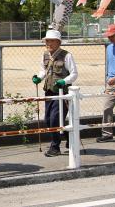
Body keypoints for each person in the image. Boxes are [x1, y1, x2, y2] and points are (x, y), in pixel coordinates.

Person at [32, 29, 78, 157]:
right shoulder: (45, 55)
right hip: (49, 92)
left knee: (55, 119)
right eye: (47, 41)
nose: (48, 43)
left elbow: (74, 74)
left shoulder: (67, 56)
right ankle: (70, 138)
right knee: (48, 119)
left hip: (62, 93)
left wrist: (64, 81)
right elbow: (43, 71)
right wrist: (38, 78)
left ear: (58, 42)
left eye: (51, 41)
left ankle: (55, 146)